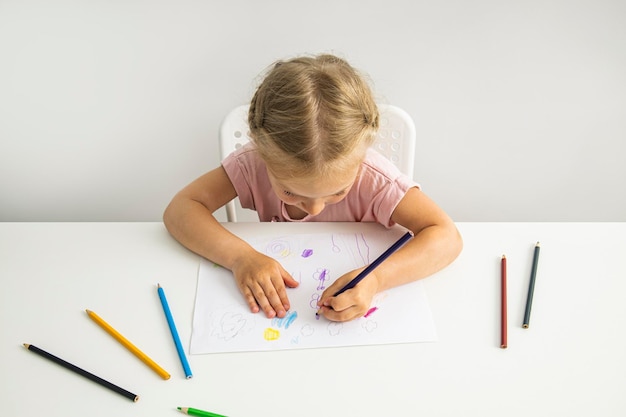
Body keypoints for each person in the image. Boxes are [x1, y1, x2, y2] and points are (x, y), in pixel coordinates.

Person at [163, 54, 462, 322]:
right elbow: (180, 210)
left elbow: (447, 236)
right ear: (263, 154)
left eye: (338, 191)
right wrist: (240, 257)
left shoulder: (375, 179)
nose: (316, 208)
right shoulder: (252, 164)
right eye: (292, 193)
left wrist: (376, 279)